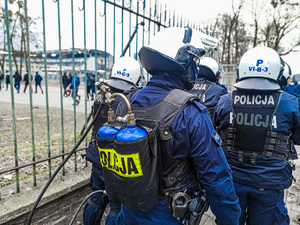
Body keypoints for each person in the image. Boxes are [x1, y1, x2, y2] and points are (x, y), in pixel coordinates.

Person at [108, 27, 241, 225]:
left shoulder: (126, 102)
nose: (196, 67)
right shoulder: (190, 111)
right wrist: (230, 220)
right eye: (194, 60)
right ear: (181, 59)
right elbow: (216, 178)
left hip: (130, 211)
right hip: (168, 215)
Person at [213, 46, 300, 225]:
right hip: (269, 185)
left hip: (231, 180)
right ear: (278, 72)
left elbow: (215, 133)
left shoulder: (224, 100)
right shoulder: (289, 103)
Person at [83, 56, 142, 225]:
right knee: (116, 205)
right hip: (117, 158)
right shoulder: (132, 97)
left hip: (98, 152)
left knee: (96, 198)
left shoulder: (103, 92)